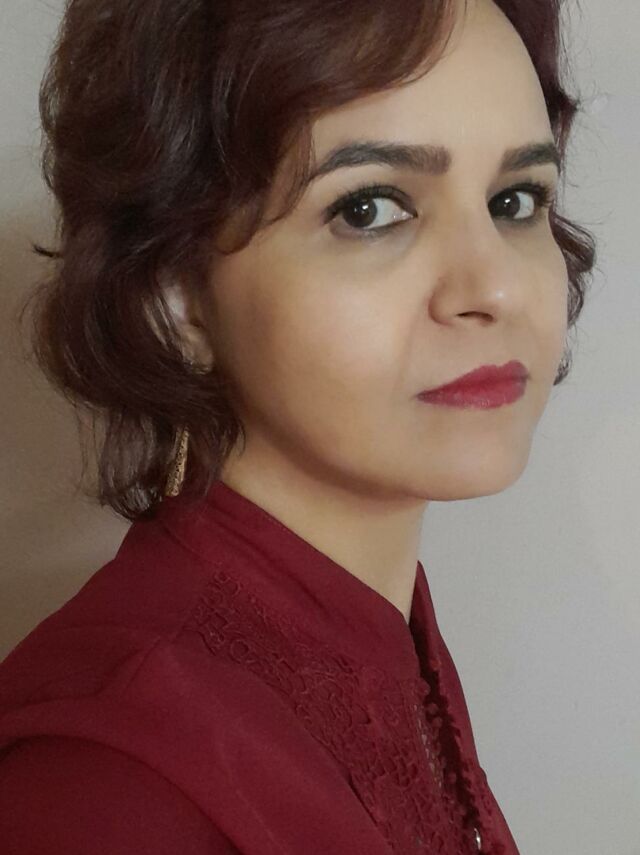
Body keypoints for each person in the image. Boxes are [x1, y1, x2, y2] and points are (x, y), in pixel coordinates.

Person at [0, 0, 596, 852]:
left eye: (514, 199)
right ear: (177, 297)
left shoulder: (379, 631)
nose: (494, 286)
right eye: (370, 209)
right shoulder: (104, 785)